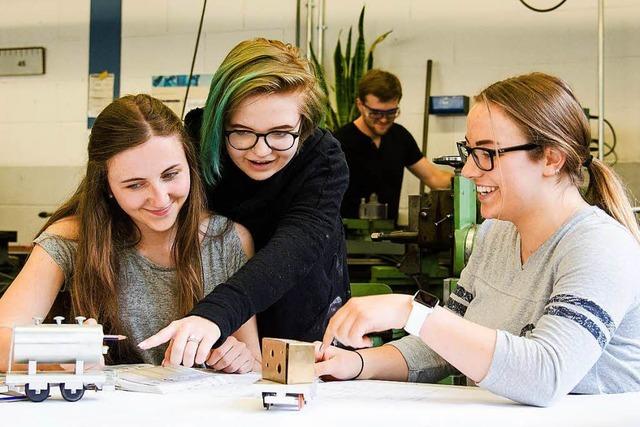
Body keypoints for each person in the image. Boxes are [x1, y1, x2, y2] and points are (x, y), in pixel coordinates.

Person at [315, 72, 640, 407]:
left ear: (551, 159)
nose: (469, 170)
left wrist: (411, 311)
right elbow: (444, 340)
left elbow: (546, 374)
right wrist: (357, 364)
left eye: (486, 153)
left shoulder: (600, 248)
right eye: (469, 151)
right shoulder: (496, 234)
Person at [0, 94, 260, 373]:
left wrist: (240, 358)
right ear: (107, 186)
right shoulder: (70, 239)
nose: (160, 199)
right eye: (135, 185)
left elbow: (255, 361)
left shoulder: (228, 241)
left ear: (190, 166)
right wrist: (61, 357)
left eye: (171, 174)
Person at [138, 38, 350, 367]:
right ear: (219, 121)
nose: (260, 151)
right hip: (215, 332)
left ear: (304, 124)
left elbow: (294, 248)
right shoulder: (193, 140)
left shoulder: (322, 159)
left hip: (299, 320)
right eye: (241, 132)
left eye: (281, 133)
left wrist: (213, 315)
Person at [334, 69, 453, 222]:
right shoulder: (339, 142)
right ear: (360, 105)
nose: (383, 120)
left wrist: (469, 181)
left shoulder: (400, 137)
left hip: (388, 238)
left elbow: (434, 178)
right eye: (376, 113)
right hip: (347, 238)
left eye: (391, 113)